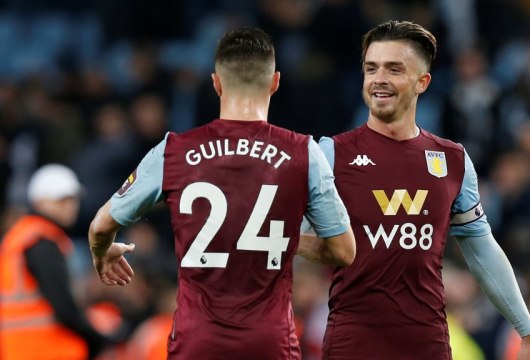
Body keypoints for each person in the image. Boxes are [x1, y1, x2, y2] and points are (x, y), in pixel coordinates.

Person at [87, 27, 355, 360]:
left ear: (216, 83)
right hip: (269, 343)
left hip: (197, 341)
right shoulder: (305, 152)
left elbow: (100, 226)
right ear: (275, 82)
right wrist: (281, 237)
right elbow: (343, 250)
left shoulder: (172, 151)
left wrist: (102, 254)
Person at [297, 20, 530, 359]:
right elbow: (295, 237)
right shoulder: (331, 154)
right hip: (353, 342)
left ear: (421, 82)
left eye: (394, 69)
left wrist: (525, 328)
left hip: (427, 344)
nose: (378, 79)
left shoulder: (452, 160)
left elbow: (481, 248)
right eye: (371, 69)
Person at [0, 164, 112, 360]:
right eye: (61, 200)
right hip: (49, 349)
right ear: (40, 202)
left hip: (23, 351)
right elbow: (64, 306)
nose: (70, 206)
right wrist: (98, 340)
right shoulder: (41, 241)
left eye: (72, 199)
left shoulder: (21, 237)